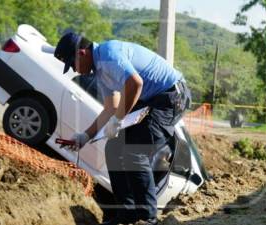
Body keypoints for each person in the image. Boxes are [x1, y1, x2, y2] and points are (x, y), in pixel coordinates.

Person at [53, 32, 191, 225]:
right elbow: (111, 107)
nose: (75, 70)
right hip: (151, 99)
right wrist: (85, 136)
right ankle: (127, 214)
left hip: (171, 97)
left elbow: (135, 83)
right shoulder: (101, 71)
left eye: (73, 64)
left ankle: (147, 219)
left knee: (135, 153)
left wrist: (118, 121)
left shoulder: (109, 53)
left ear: (82, 53)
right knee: (114, 149)